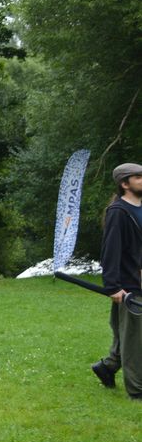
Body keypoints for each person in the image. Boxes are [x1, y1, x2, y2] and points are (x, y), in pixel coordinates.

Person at [90, 162, 142, 400]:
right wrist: (112, 286)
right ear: (124, 184)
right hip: (129, 286)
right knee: (134, 340)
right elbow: (111, 250)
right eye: (138, 177)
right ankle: (137, 391)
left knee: (130, 334)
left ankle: (108, 366)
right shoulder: (118, 212)